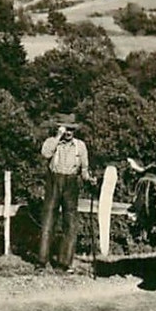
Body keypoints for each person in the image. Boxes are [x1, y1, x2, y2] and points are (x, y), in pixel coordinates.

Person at [38, 114, 93, 270]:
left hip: (71, 184)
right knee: (48, 220)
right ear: (60, 128)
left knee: (70, 223)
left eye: (71, 129)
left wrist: (89, 179)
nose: (68, 132)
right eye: (66, 129)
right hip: (54, 182)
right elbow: (45, 154)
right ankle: (42, 261)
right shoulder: (52, 142)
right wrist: (58, 136)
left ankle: (65, 263)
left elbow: (84, 170)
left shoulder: (80, 146)